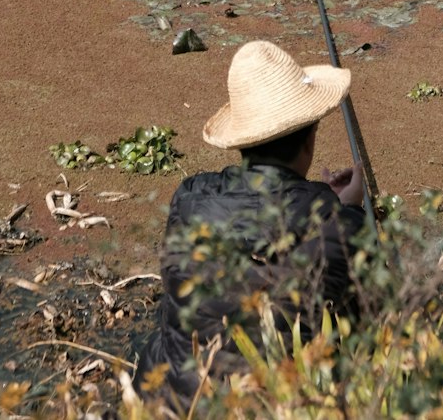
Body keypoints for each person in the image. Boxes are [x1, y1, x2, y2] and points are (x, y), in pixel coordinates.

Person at [135, 39, 366, 400]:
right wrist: (350, 210)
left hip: (178, 401)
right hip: (273, 403)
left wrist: (321, 202)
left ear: (244, 141)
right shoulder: (334, 222)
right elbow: (359, 303)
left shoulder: (190, 197)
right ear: (310, 139)